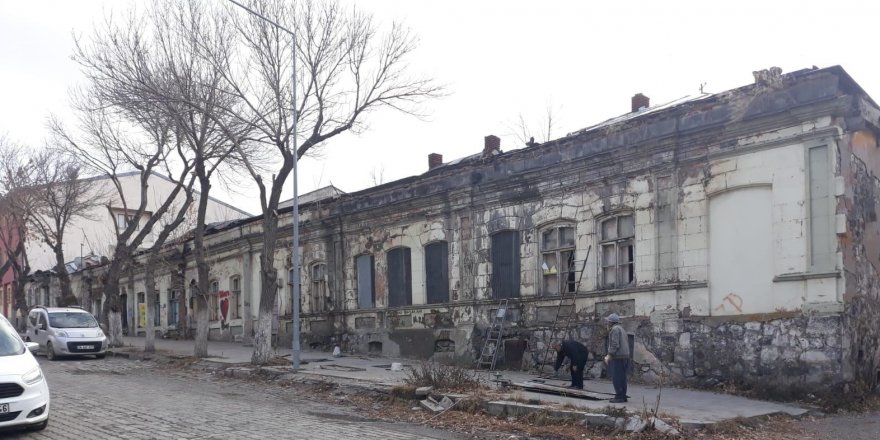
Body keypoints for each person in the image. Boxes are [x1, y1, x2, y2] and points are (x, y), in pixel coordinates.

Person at [604, 313, 630, 403]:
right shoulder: (622, 329)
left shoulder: (614, 330)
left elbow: (615, 344)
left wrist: (609, 355)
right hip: (625, 356)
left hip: (618, 357)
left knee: (617, 377)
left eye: (608, 321)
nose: (607, 323)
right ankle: (623, 396)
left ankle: (619, 396)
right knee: (622, 377)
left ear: (611, 322)